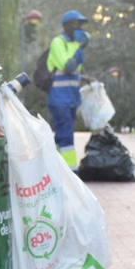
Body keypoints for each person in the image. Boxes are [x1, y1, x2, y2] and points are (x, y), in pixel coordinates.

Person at [47, 10, 89, 168]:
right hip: (59, 97)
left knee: (63, 134)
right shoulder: (58, 42)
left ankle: (57, 166)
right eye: (76, 24)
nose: (80, 28)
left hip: (71, 97)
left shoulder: (74, 44)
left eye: (81, 25)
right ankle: (71, 169)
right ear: (67, 26)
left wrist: (86, 78)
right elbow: (68, 66)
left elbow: (75, 73)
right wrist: (80, 49)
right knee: (66, 134)